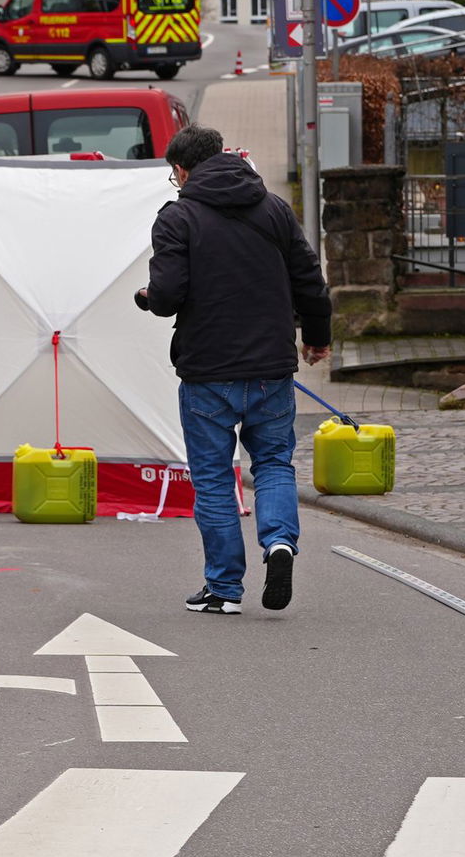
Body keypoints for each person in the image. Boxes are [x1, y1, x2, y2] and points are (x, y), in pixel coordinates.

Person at [134, 125, 330, 615]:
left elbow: (167, 296)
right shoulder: (274, 209)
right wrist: (318, 337)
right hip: (271, 368)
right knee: (273, 465)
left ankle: (224, 590)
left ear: (181, 170)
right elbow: (309, 280)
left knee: (217, 480)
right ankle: (280, 544)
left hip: (207, 373)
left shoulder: (177, 218)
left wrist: (147, 298)